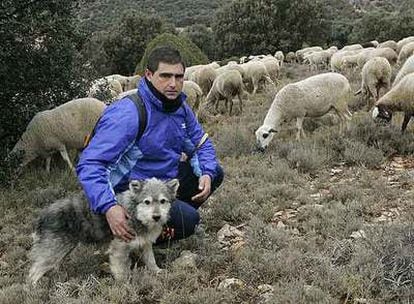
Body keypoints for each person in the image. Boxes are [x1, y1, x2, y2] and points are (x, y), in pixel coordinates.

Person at [76, 46, 224, 243]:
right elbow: (91, 164)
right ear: (148, 74)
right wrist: (109, 207)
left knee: (215, 172)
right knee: (190, 221)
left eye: (179, 77)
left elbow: (200, 144)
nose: (173, 84)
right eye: (165, 76)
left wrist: (206, 172)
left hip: (162, 181)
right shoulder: (129, 113)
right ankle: (134, 236)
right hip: (131, 191)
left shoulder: (179, 108)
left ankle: (161, 219)